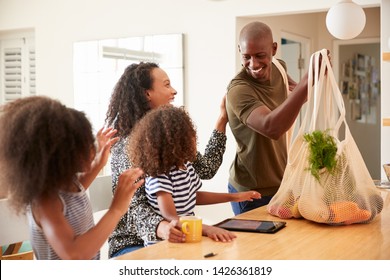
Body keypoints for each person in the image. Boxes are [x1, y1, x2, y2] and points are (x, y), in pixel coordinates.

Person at [105, 62, 231, 258]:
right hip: (131, 243)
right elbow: (133, 206)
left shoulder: (167, 134)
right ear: (147, 94)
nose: (174, 91)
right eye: (166, 85)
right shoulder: (126, 142)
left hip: (171, 234)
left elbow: (206, 169)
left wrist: (222, 120)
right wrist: (161, 227)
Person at [0, 96, 145, 260]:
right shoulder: (46, 201)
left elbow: (78, 190)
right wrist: (116, 209)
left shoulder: (68, 184)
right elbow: (74, 254)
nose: (92, 150)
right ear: (56, 156)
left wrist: (98, 163)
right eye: (83, 146)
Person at [226, 21, 329, 215]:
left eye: (260, 56)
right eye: (246, 56)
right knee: (257, 246)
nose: (253, 64)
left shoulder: (279, 68)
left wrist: (315, 78)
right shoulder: (239, 90)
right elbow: (272, 127)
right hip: (251, 191)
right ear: (239, 49)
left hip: (282, 183)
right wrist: (308, 79)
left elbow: (299, 95)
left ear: (273, 49)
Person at [128, 105, 261, 231]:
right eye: (189, 134)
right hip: (167, 241)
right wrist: (207, 229)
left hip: (187, 232)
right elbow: (171, 217)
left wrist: (235, 197)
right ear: (175, 142)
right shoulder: (159, 176)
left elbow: (193, 196)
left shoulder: (186, 166)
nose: (194, 138)